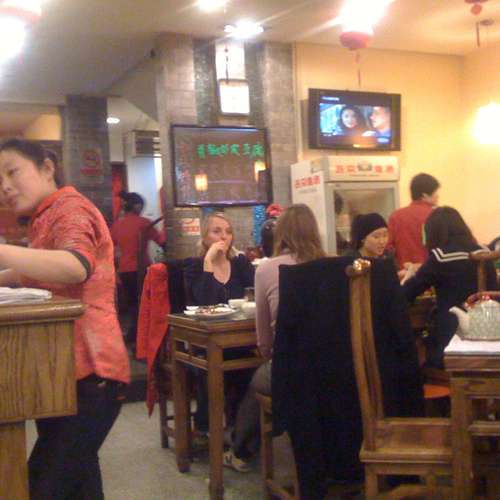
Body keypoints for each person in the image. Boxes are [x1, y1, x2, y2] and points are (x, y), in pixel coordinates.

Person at [0, 138, 129, 499]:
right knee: (80, 484)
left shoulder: (70, 207)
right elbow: (29, 275)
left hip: (92, 373)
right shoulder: (44, 216)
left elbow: (75, 265)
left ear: (47, 168)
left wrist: (2, 251)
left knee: (42, 487)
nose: (5, 186)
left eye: (12, 172)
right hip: (60, 370)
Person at [223, 204, 326, 472]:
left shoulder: (268, 269)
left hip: (291, 367)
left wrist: (270, 355)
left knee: (256, 382)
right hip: (332, 367)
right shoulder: (331, 265)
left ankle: (240, 450)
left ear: (281, 234)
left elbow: (264, 340)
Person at [184, 212, 255, 437]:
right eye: (217, 231)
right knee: (210, 370)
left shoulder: (240, 263)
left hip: (239, 339)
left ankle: (240, 429)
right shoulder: (195, 265)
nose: (224, 237)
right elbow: (205, 302)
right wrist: (209, 262)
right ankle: (208, 428)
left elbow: (254, 295)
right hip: (204, 343)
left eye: (228, 232)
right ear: (205, 236)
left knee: (251, 368)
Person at [403, 206, 498, 368]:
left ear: (433, 232)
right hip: (490, 327)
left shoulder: (441, 257)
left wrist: (410, 273)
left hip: (451, 334)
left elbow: (408, 292)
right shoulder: (484, 252)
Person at [111, 191, 165, 346]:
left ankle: (134, 333)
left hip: (124, 270)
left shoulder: (117, 225)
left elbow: (110, 248)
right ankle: (142, 335)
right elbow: (161, 242)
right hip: (141, 269)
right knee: (144, 303)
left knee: (132, 304)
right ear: (137, 206)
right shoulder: (144, 223)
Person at [388, 173, 440, 268]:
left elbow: (389, 248)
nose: (438, 196)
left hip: (405, 271)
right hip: (432, 271)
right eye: (435, 192)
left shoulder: (396, 216)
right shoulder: (437, 216)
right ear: (424, 195)